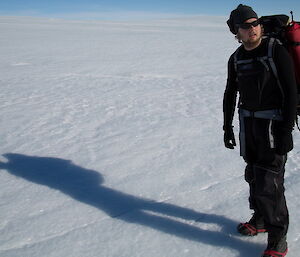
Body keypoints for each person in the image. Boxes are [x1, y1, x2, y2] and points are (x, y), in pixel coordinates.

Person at [223, 4, 297, 257]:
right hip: (248, 125)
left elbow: (290, 91)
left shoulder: (275, 51)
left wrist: (286, 130)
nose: (252, 29)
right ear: (236, 31)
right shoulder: (236, 57)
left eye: (255, 23)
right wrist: (227, 127)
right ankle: (261, 220)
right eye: (245, 25)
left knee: (270, 183)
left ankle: (279, 239)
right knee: (253, 176)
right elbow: (230, 93)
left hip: (273, 125)